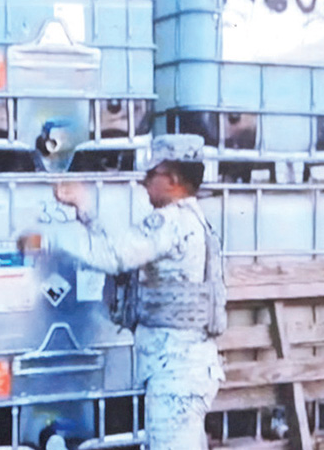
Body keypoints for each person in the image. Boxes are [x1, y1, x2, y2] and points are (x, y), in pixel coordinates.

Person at [50, 134, 226, 449]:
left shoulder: (170, 222)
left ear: (172, 179)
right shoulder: (188, 219)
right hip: (183, 370)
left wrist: (47, 240)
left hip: (175, 374)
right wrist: (85, 210)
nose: (144, 183)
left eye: (151, 174)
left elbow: (113, 257)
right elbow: (123, 252)